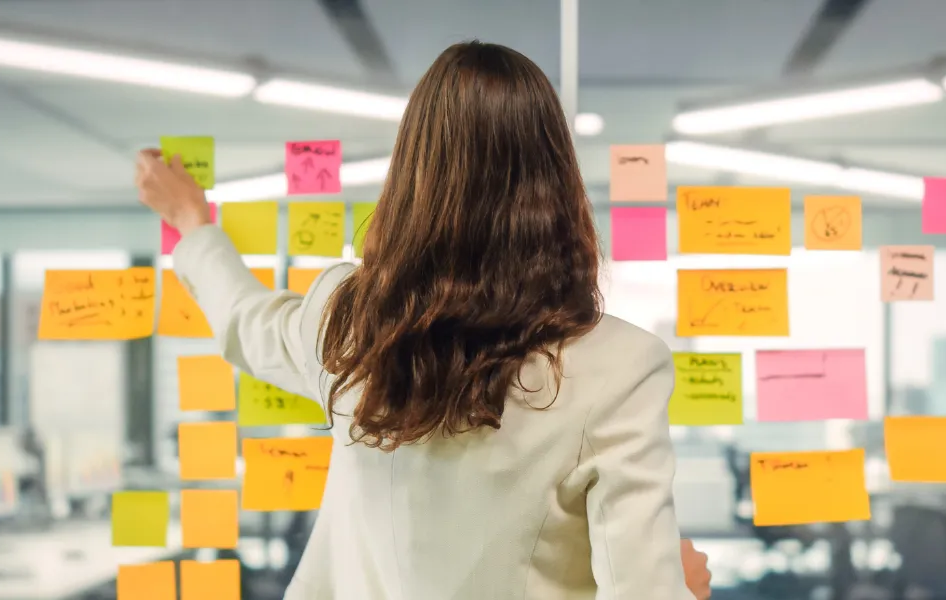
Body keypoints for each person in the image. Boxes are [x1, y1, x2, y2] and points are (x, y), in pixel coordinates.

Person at [137, 41, 712, 600]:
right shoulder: (620, 365)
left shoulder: (349, 323)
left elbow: (245, 319)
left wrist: (192, 222)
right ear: (559, 182)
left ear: (411, 172)